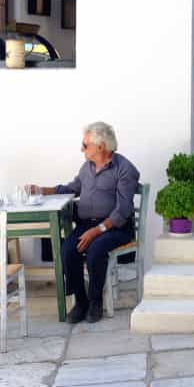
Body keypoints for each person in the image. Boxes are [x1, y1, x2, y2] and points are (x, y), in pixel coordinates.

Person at [31, 122, 140, 324]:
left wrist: (97, 231)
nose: (82, 149)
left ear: (101, 146)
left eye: (85, 145)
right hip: (87, 224)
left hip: (115, 227)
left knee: (96, 250)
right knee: (67, 250)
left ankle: (95, 301)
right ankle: (81, 302)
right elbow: (72, 188)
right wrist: (42, 190)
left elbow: (122, 211)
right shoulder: (87, 166)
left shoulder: (125, 169)